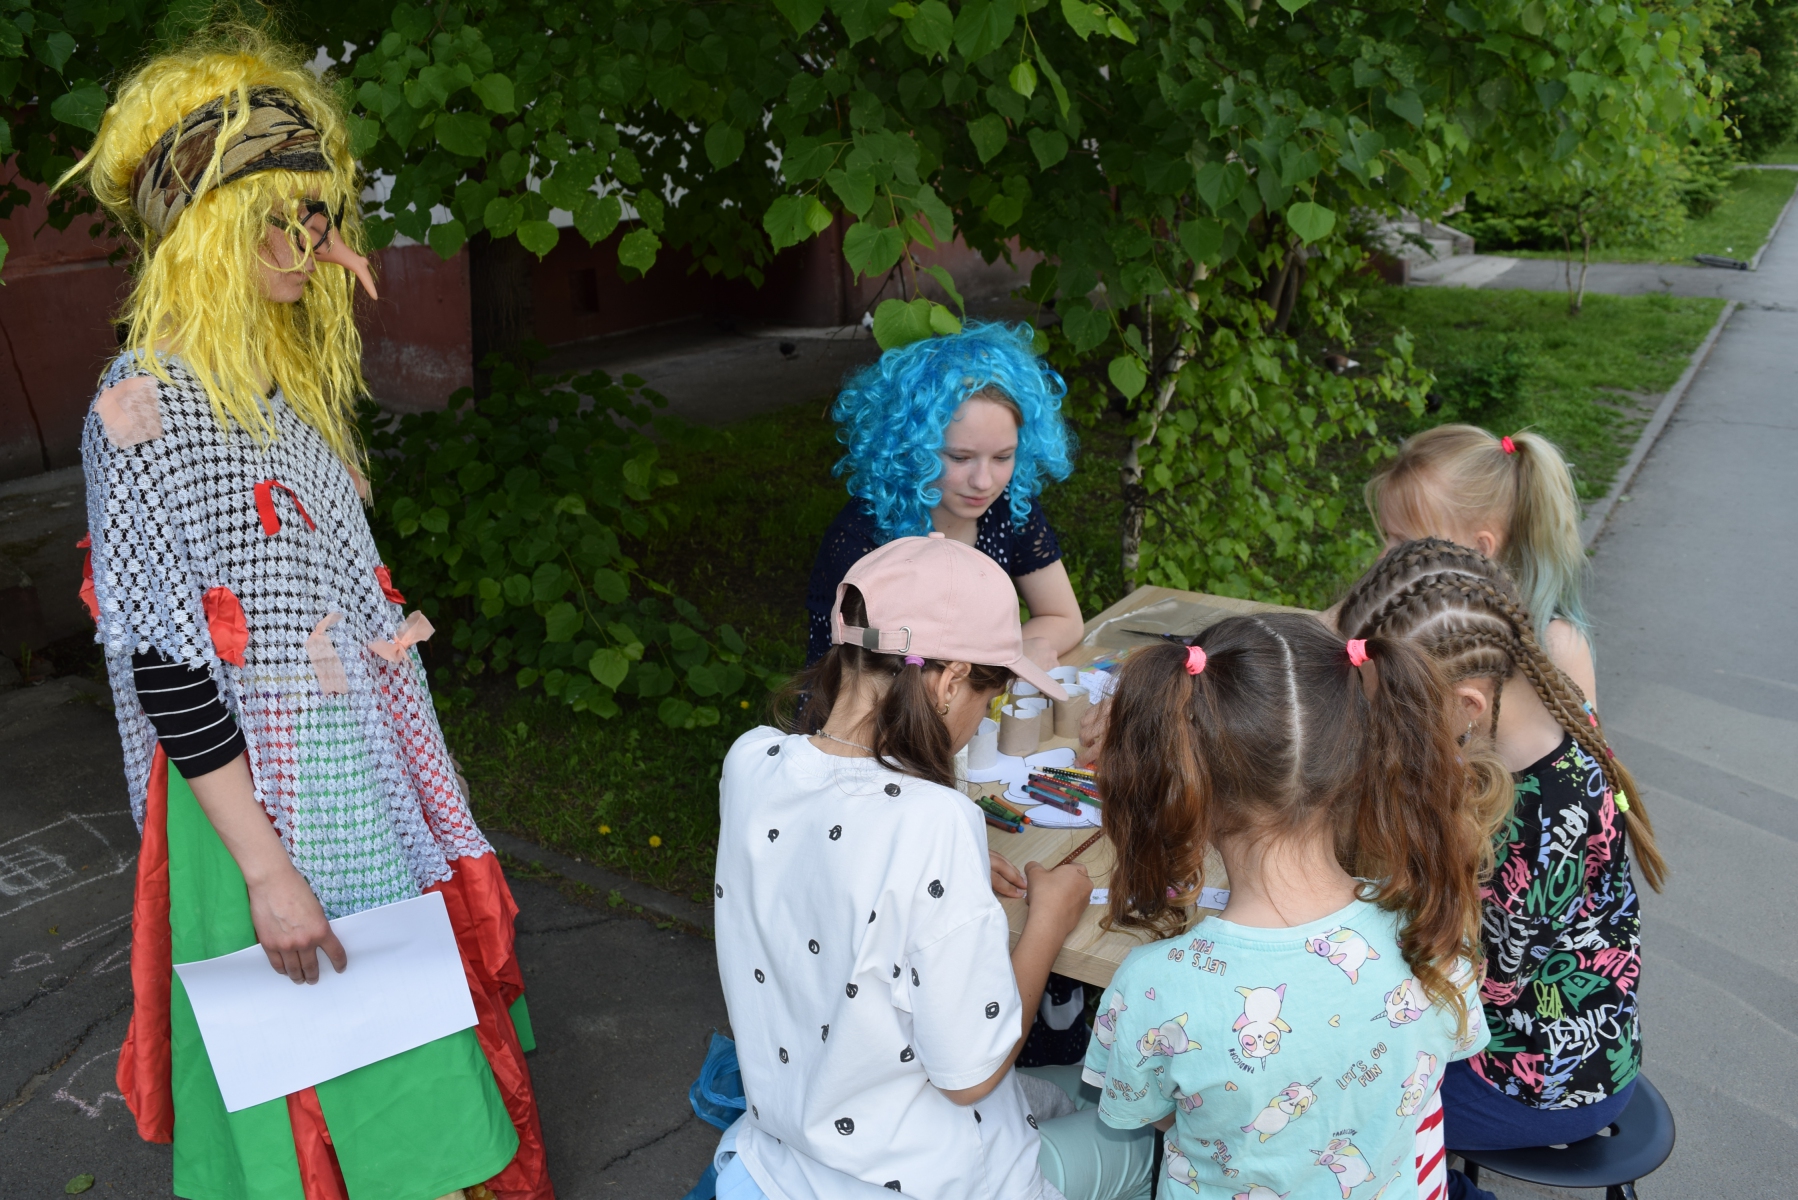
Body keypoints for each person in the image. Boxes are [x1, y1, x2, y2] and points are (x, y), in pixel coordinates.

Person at [67, 34, 549, 1200]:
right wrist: (267, 871)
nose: (312, 245)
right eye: (277, 221)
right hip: (249, 796)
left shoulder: (271, 384)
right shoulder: (146, 406)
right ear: (207, 234)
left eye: (318, 215)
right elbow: (170, 666)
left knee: (394, 1017)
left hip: (341, 757)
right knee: (309, 1037)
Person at [713, 533, 1157, 1200]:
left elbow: (825, 858)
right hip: (920, 1178)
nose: (982, 716)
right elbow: (972, 1075)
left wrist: (941, 867)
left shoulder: (751, 760)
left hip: (782, 1154)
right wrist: (1048, 922)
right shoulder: (934, 822)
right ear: (950, 682)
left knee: (1078, 1089)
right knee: (1149, 1129)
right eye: (989, 697)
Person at [1083, 614, 1492, 1200]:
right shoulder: (1430, 930)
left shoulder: (1152, 987)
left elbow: (1161, 1115)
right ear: (1360, 758)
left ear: (1185, 780)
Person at [1336, 539, 1666, 1200]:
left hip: (1540, 1080)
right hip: (1547, 1040)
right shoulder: (1536, 712)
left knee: (1332, 1106)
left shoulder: (1542, 818)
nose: (1380, 732)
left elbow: (1464, 982)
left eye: (1393, 716)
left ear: (1468, 706)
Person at [805, 322, 1082, 669]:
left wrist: (1008, 658)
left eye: (1002, 457)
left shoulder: (1009, 506)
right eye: (960, 458)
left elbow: (1063, 618)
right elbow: (872, 677)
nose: (983, 482)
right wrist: (1007, 663)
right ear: (911, 449)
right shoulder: (862, 538)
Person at [1361, 424, 1597, 701]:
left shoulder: (1556, 645)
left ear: (1478, 550)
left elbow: (1582, 730)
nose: (1382, 557)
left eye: (1404, 542)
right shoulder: (1401, 624)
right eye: (1388, 536)